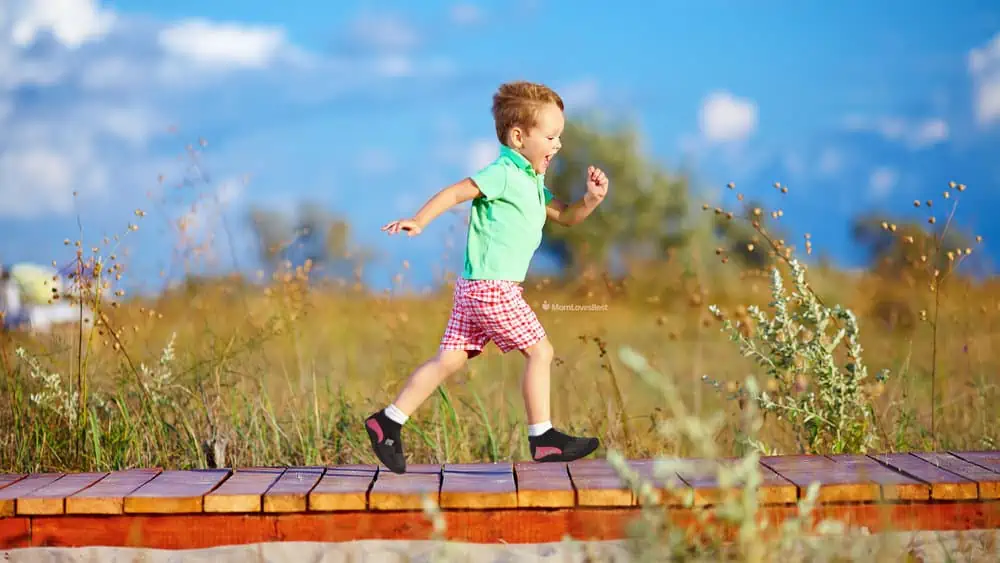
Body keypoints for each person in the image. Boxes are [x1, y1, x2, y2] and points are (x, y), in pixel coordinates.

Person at [365, 81, 610, 474]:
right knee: (540, 352)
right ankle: (543, 437)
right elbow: (457, 192)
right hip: (493, 288)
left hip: (473, 288)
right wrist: (420, 220)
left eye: (559, 137)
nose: (558, 145)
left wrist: (591, 201)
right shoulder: (503, 174)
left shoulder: (531, 181)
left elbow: (566, 215)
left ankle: (388, 422)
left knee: (448, 360)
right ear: (519, 137)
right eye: (551, 136)